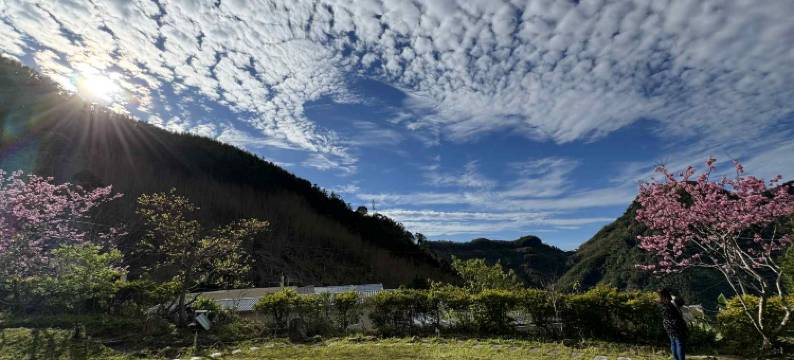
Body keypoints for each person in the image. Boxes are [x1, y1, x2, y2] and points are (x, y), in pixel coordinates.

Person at [657, 288, 688, 360]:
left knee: (673, 342)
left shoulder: (660, 302)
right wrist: (675, 296)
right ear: (667, 294)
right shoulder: (674, 302)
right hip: (677, 324)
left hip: (667, 325)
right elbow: (682, 301)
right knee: (680, 343)